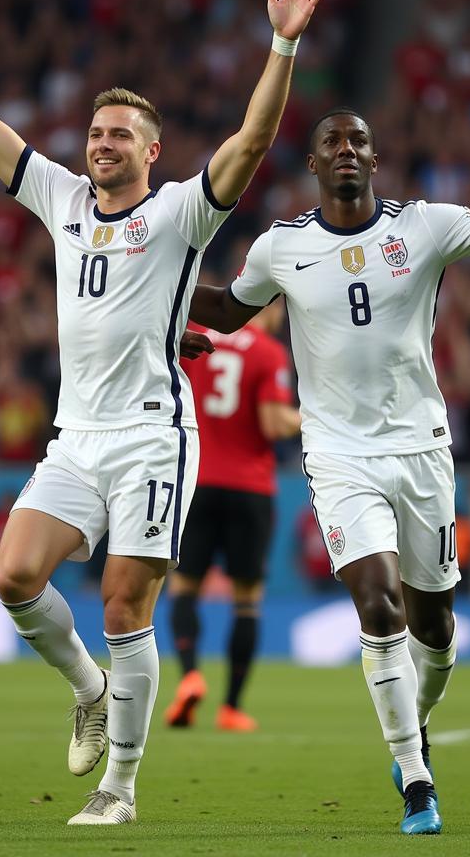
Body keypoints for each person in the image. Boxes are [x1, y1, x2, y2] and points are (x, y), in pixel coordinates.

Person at [0, 0, 326, 825]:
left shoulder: (179, 214)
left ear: (152, 148)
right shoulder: (58, 199)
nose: (102, 144)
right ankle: (90, 689)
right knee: (14, 575)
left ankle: (119, 788)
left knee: (127, 602)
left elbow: (250, 143)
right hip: (77, 438)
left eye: (119, 134)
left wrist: (281, 45)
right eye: (95, 132)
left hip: (151, 437)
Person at [187, 85, 470, 834]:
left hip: (422, 451)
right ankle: (417, 780)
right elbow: (231, 309)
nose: (348, 152)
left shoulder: (424, 228)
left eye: (359, 141)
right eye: (333, 142)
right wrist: (150, 294)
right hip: (337, 456)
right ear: (313, 165)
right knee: (378, 603)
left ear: (376, 159)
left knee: (436, 627)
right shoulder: (282, 246)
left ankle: (415, 723)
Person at [165, 302, 301, 733]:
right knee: (247, 600)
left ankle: (189, 675)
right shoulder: (268, 352)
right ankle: (231, 708)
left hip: (197, 480)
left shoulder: (195, 337)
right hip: (249, 488)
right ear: (269, 305)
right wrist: (319, 416)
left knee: (185, 587)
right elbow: (274, 423)